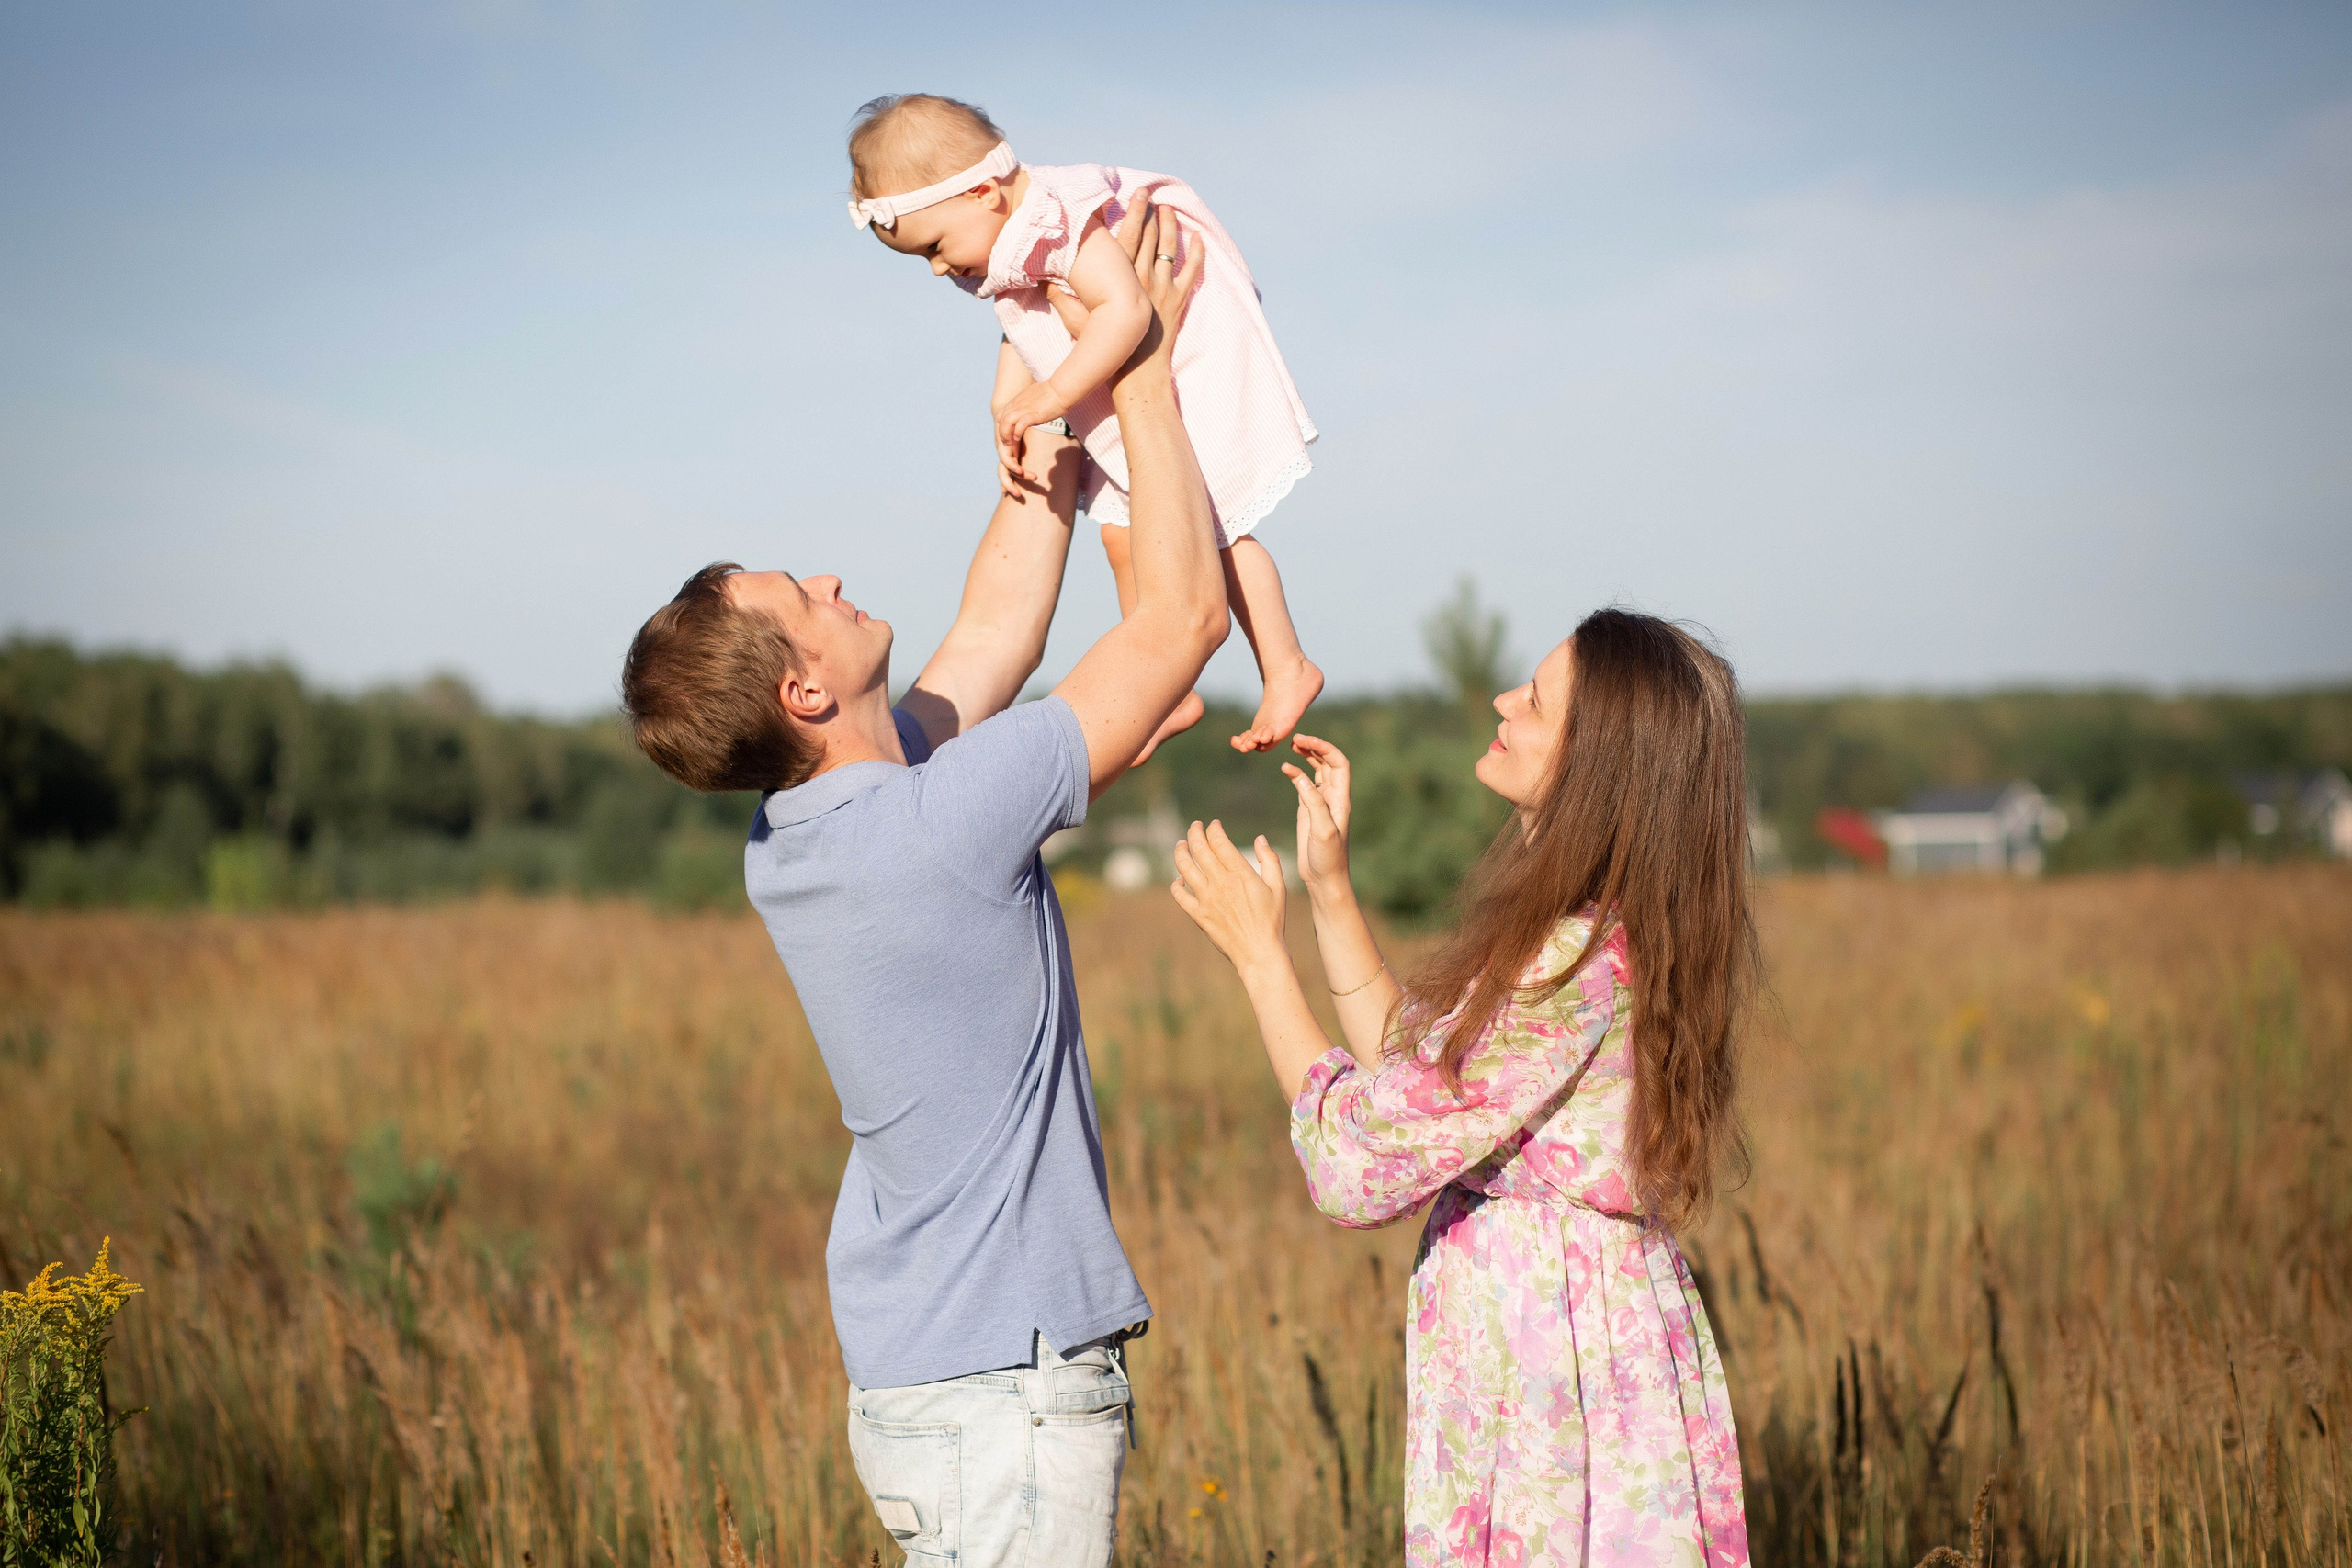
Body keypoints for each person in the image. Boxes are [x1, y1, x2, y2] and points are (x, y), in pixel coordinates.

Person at [619, 204, 1220, 1566]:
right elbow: (1178, 624)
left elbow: (992, 634)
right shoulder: (937, 821)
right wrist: (1143, 368)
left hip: (933, 1381)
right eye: (802, 592)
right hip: (1002, 1391)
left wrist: (1041, 466)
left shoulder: (813, 832)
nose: (830, 574)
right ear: (805, 685)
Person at [1169, 609, 1754, 1567]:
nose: (1500, 703)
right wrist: (1330, 887)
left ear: (1598, 762)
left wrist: (1256, 956)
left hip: (1551, 1384)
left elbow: (1360, 1161)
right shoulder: (1588, 940)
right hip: (1548, 1358)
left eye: (1533, 699)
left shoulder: (1575, 962)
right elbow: (1423, 1081)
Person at [848, 92, 1323, 760]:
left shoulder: (1058, 218)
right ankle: (1161, 682)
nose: (937, 267)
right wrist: (1004, 405)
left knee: (1210, 527)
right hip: (1126, 364)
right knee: (1126, 539)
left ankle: (1287, 662)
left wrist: (1050, 397)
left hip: (1185, 351)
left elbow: (1126, 311)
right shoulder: (1007, 238)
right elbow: (1021, 329)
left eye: (934, 245)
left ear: (984, 193)